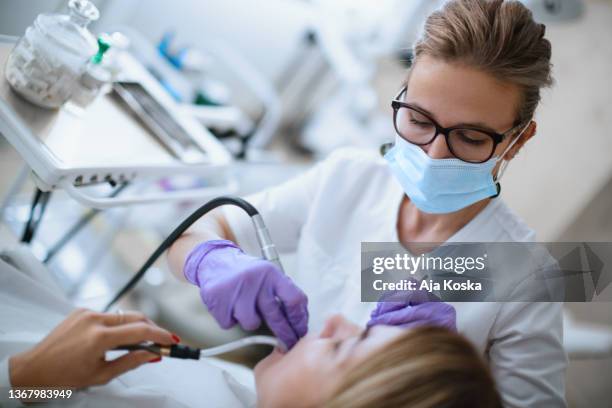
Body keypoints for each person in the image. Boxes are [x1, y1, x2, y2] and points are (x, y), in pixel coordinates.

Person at [167, 0, 567, 406]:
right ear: (401, 95)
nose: (433, 155)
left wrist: (432, 381)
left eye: (471, 138)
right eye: (419, 120)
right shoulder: (349, 179)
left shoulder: (524, 276)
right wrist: (209, 258)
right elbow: (198, 229)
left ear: (518, 140)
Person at [0, 249, 501, 407]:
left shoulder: (522, 254)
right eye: (416, 118)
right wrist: (207, 255)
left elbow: (45, 390)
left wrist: (26, 380)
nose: (332, 321)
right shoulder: (247, 390)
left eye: (344, 347)